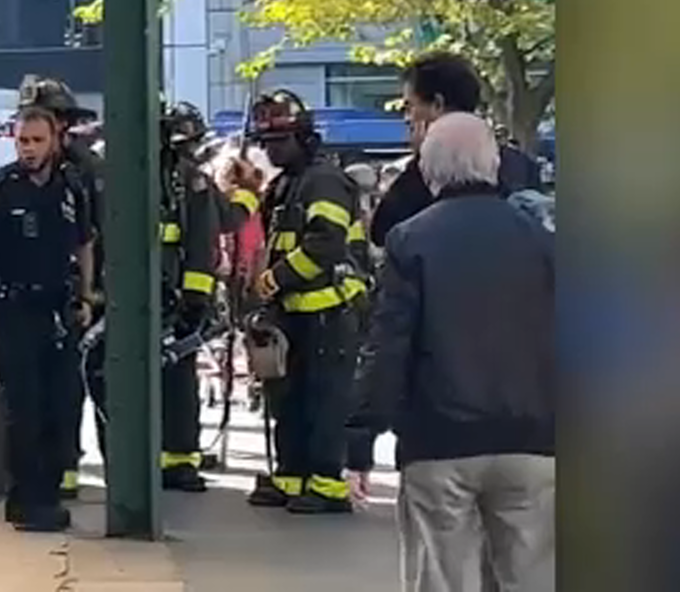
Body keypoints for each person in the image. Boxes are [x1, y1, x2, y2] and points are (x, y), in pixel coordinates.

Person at [346, 113, 555, 592]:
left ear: (427, 168)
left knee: (441, 577)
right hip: (535, 441)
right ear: (495, 163)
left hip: (439, 443)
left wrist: (361, 439)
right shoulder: (545, 242)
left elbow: (389, 344)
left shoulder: (411, 239)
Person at [232, 90, 371, 515]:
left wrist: (272, 280)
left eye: (280, 141)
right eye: (266, 143)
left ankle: (327, 485)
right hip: (294, 314)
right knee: (287, 399)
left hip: (330, 312)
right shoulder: (286, 184)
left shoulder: (324, 181)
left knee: (324, 401)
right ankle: (291, 477)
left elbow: (325, 245)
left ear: (304, 138)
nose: (271, 150)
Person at [0, 106, 94, 532]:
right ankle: (30, 500)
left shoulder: (72, 187)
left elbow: (85, 243)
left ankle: (42, 494)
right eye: (22, 141)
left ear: (55, 140)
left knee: (61, 402)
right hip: (12, 309)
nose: (29, 149)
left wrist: (87, 294)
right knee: (25, 407)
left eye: (37, 140)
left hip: (57, 308)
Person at [16, 75, 101, 500]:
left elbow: (95, 236)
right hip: (28, 300)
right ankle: (50, 469)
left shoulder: (87, 171)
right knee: (34, 392)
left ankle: (67, 463)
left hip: (79, 297)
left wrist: (92, 292)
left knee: (74, 386)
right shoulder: (14, 177)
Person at [370, 52, 540, 248]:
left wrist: (422, 160)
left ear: (437, 104)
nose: (407, 118)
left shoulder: (423, 175)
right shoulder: (522, 165)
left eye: (410, 107)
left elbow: (384, 233)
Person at [158, 102, 221, 492]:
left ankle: (179, 460)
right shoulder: (186, 179)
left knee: (178, 381)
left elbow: (204, 239)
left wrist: (194, 299)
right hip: (154, 295)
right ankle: (169, 459)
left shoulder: (189, 181)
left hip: (175, 295)